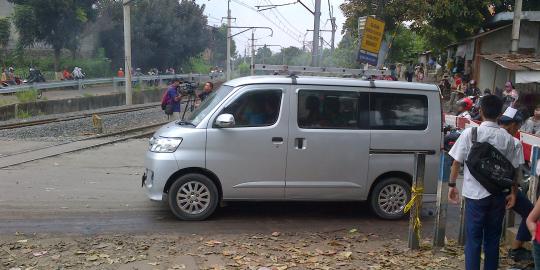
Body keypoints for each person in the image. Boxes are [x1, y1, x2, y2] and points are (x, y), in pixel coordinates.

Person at [448, 95, 521, 270]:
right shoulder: (510, 140)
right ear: (500, 114)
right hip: (498, 196)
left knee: (473, 240)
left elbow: (456, 162)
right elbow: (514, 170)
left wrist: (452, 185)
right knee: (493, 240)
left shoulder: (471, 133)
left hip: (475, 196)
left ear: (480, 111)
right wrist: (513, 193)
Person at [498, 107, 534, 263]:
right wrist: (513, 192)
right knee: (532, 213)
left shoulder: (482, 134)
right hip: (505, 189)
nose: (518, 129)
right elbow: (516, 172)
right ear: (512, 124)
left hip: (481, 189)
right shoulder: (514, 142)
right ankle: (516, 250)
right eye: (518, 126)